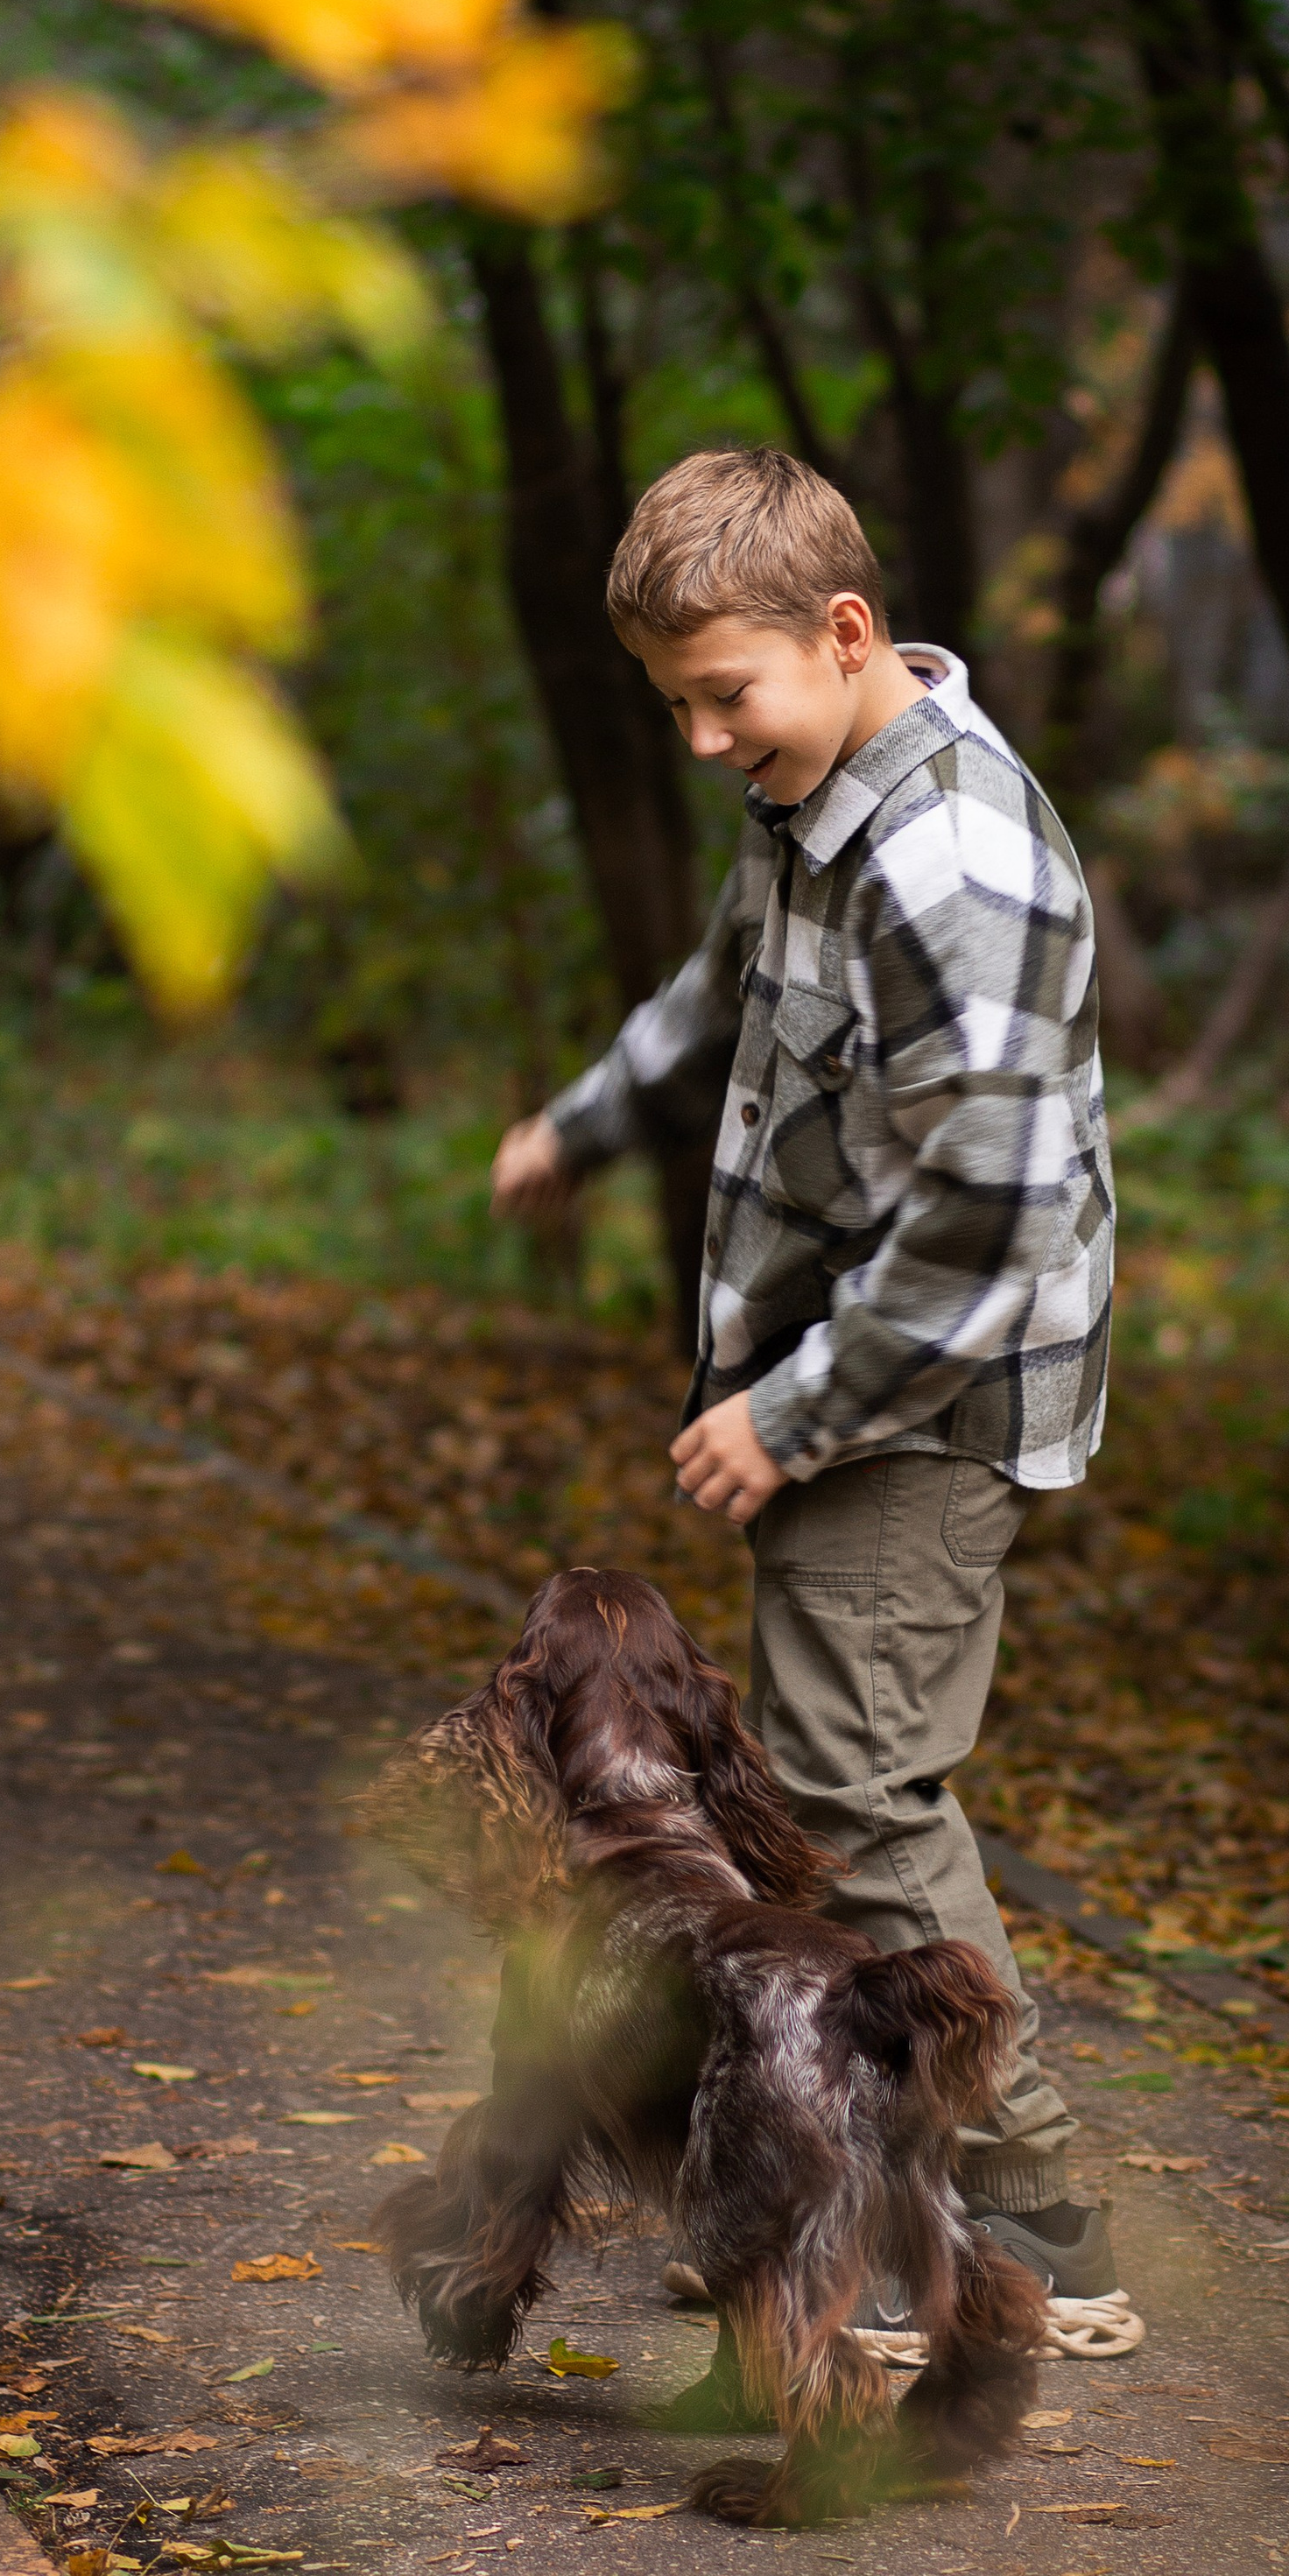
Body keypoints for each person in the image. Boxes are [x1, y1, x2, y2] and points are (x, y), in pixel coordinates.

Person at [491, 446, 1138, 2361]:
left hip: (919, 1399)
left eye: (721, 697)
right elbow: (715, 991)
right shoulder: (812, 789)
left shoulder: (957, 868)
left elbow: (988, 1216)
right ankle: (846, 2187)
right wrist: (584, 1122)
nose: (699, 741)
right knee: (830, 1776)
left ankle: (1031, 2223)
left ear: (843, 635)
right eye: (672, 703)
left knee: (859, 1794)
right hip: (838, 1371)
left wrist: (793, 1410)